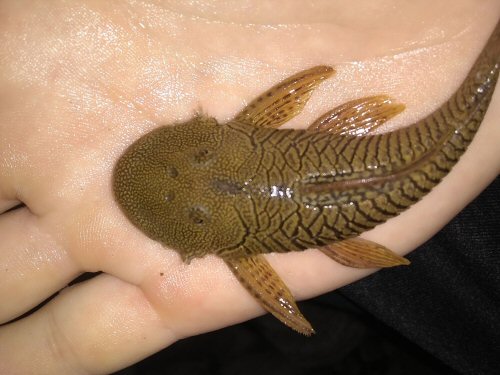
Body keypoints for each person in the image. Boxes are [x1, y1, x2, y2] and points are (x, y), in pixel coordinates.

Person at [0, 1, 498, 374]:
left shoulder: (243, 255)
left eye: (192, 162)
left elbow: (276, 296)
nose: (182, 176)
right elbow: (300, 88)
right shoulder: (255, 122)